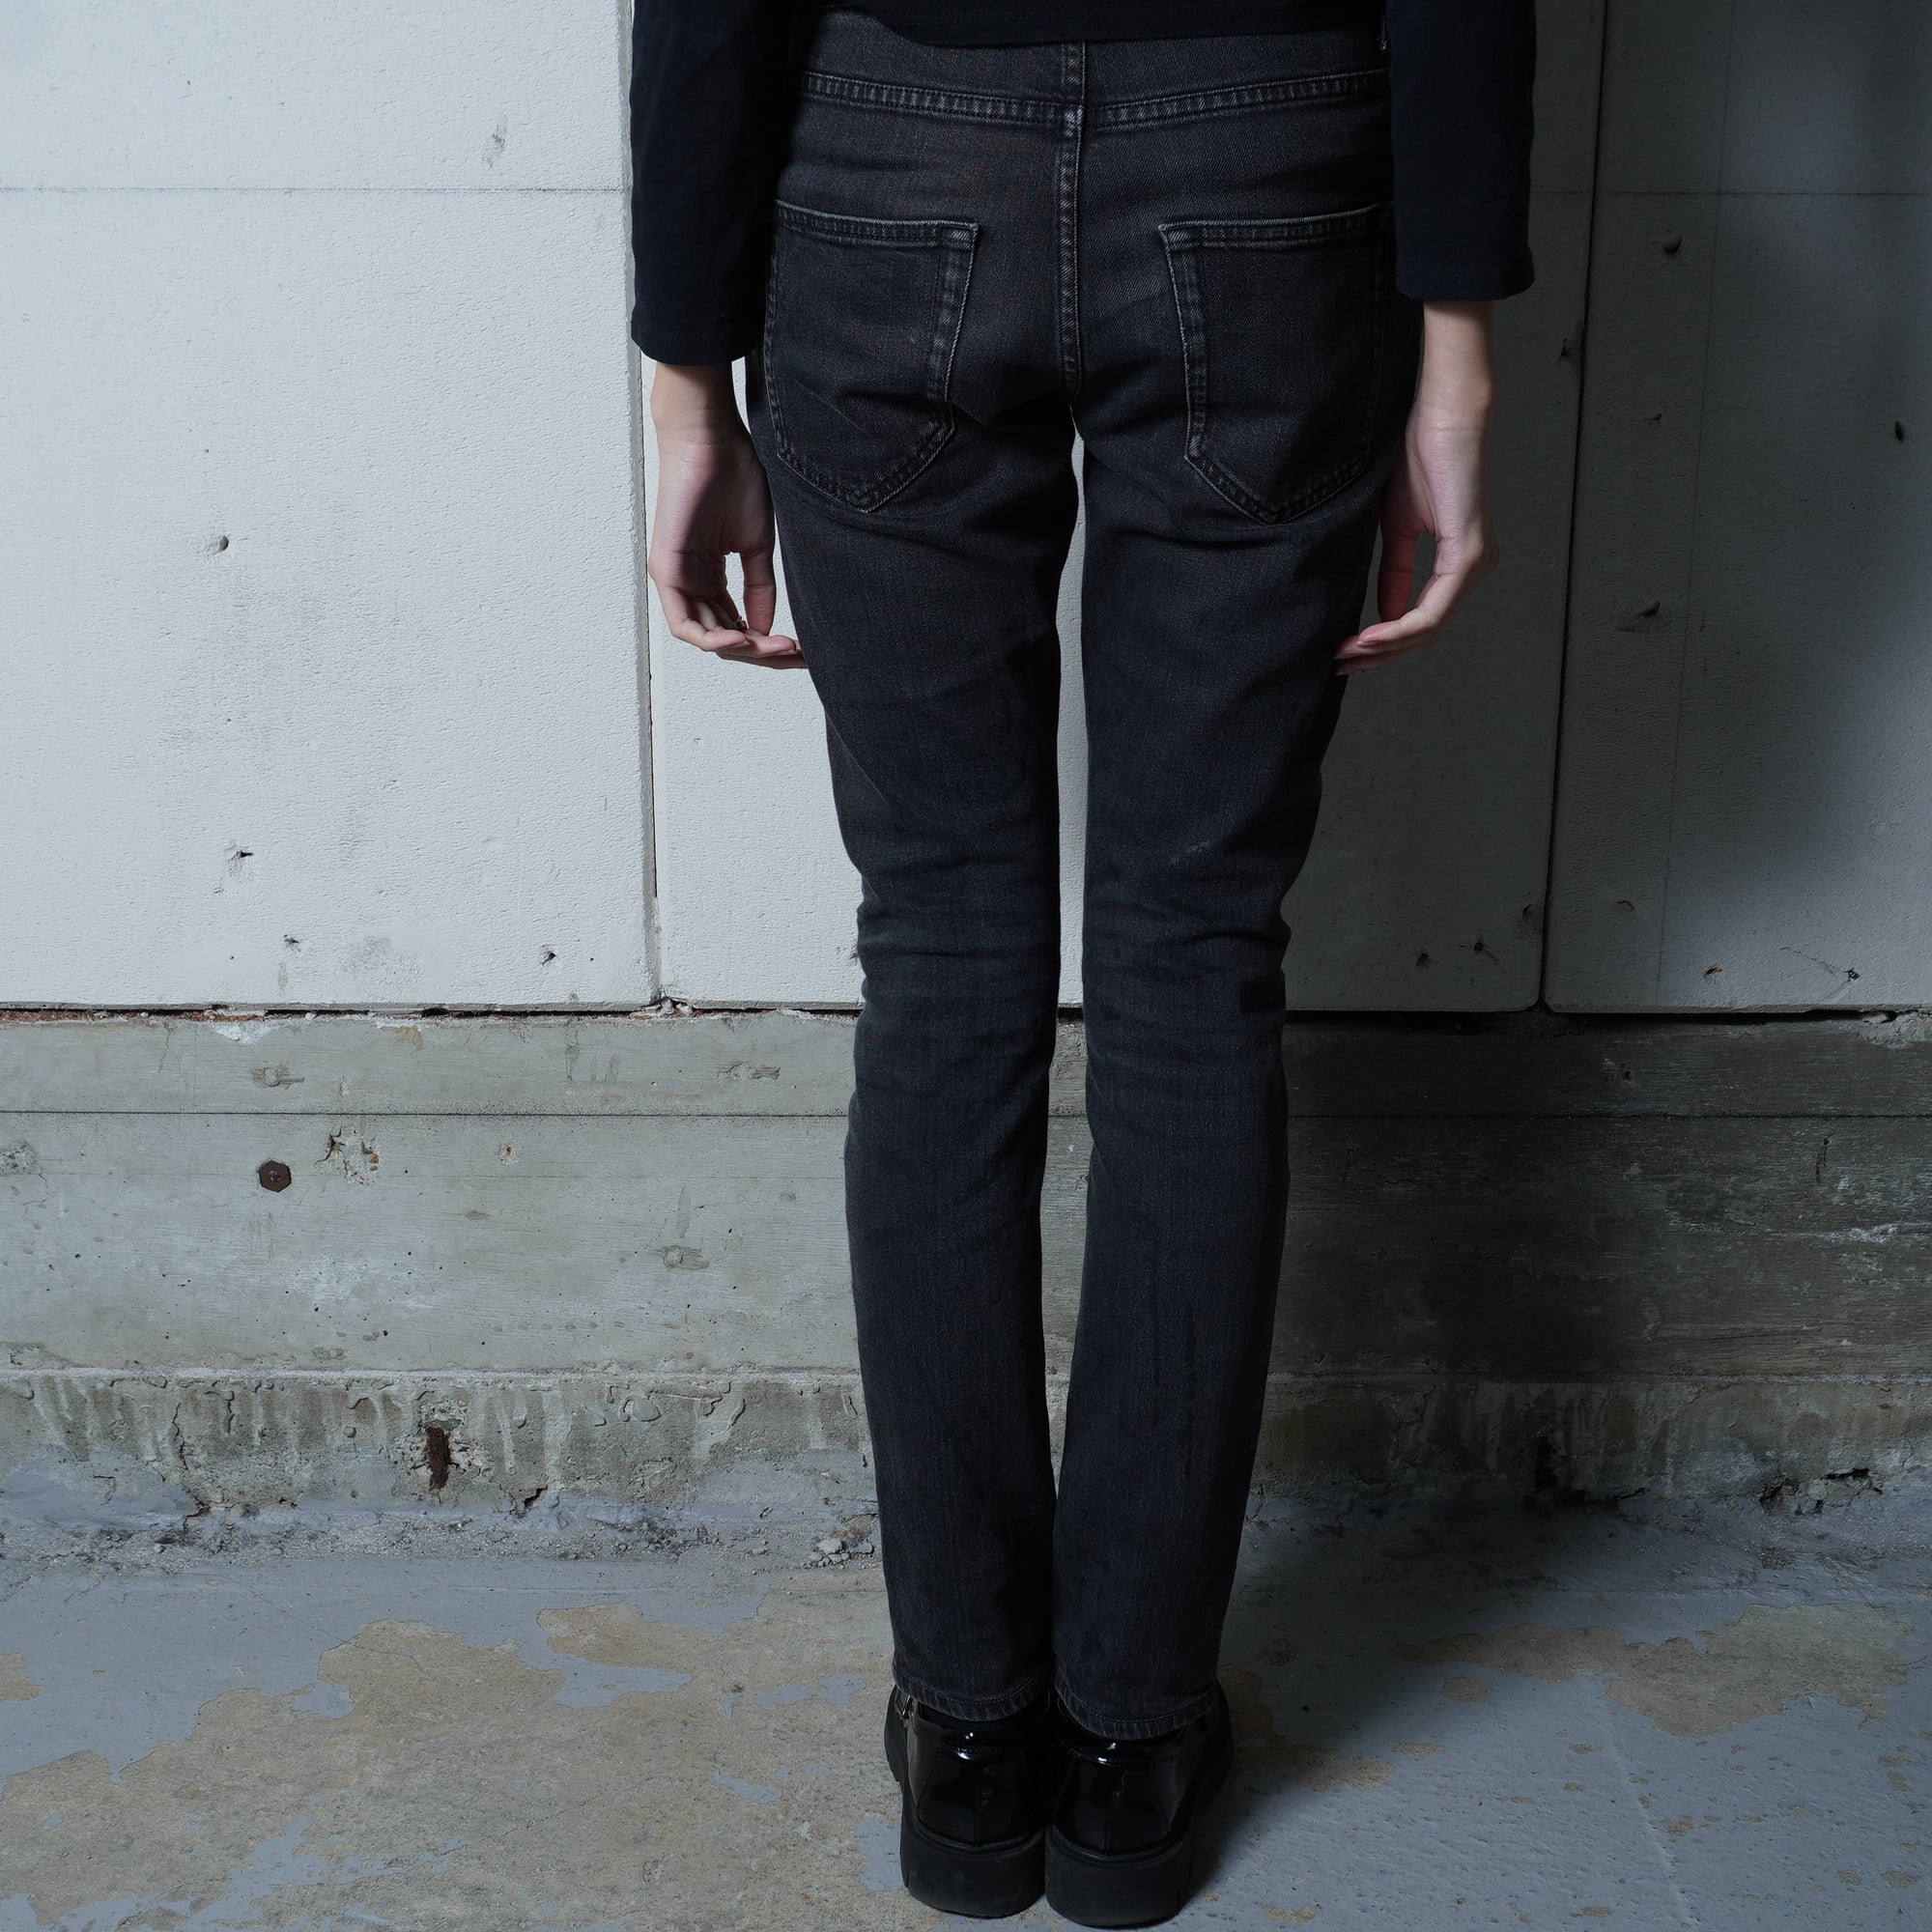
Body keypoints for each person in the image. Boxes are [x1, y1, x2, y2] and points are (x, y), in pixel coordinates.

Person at [630, 2, 1535, 1921]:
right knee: (1192, 954)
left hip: (886, 162)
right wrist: (1453, 337)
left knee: (942, 948)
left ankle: (968, 1734)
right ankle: (1128, 1746)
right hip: (1271, 160)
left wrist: (684, 369)